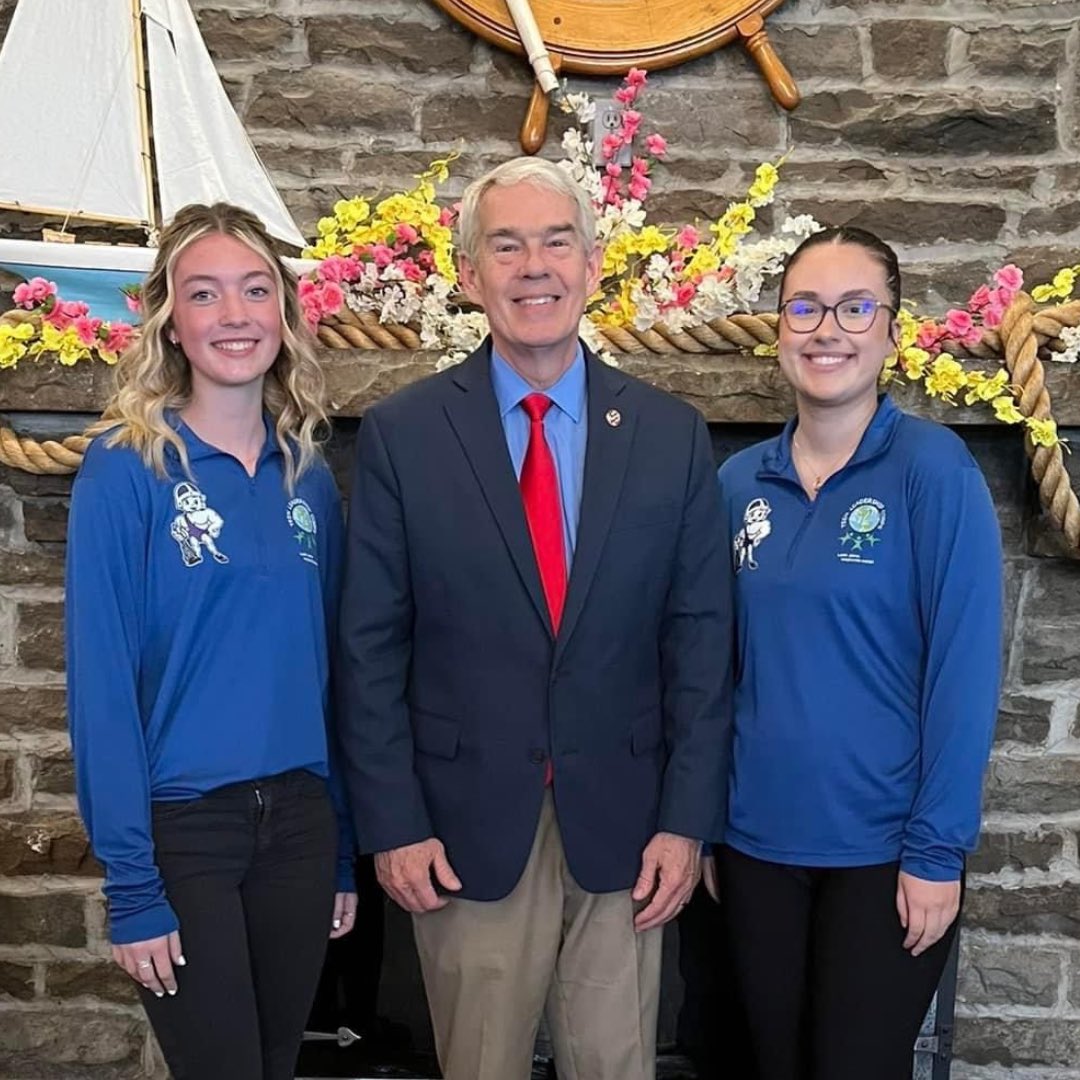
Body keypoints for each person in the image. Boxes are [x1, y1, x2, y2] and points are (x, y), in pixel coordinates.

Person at [336, 156, 733, 1080]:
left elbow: (702, 647)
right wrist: (391, 822)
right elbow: (366, 650)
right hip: (462, 827)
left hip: (628, 834)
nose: (534, 267)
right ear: (469, 275)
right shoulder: (406, 435)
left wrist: (687, 822)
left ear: (594, 266)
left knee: (615, 1064)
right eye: (505, 246)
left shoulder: (671, 437)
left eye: (557, 242)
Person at [65, 202, 357, 1080]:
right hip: (184, 834)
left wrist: (341, 848)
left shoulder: (311, 476)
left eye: (254, 290)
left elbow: (331, 681)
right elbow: (102, 690)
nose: (234, 316)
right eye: (205, 294)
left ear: (284, 313)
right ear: (171, 322)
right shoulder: (125, 470)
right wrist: (132, 885)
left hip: (301, 828)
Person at [712, 226, 1002, 1080]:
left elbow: (964, 672)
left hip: (883, 859)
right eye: (804, 306)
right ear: (778, 329)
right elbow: (707, 672)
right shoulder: (736, 487)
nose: (825, 328)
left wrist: (936, 850)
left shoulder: (932, 473)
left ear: (890, 330)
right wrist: (699, 826)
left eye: (853, 307)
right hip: (753, 848)